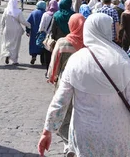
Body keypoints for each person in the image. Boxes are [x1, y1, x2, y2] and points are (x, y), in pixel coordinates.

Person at [37, 13, 130, 157]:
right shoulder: (121, 60)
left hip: (85, 137)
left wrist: (47, 131)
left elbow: (60, 101)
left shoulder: (76, 60)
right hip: (118, 136)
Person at [46, 14, 86, 156]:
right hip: (85, 85)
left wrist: (52, 77)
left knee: (64, 115)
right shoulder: (88, 42)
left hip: (65, 82)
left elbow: (55, 63)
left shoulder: (63, 42)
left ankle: (69, 144)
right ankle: (74, 143)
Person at [0, 0, 30, 65]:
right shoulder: (18, 11)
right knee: (15, 45)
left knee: (7, 43)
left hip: (7, 29)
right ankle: (14, 60)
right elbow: (22, 21)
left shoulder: (6, 10)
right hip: (16, 30)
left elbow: (2, 21)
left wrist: (2, 29)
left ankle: (7, 54)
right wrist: (29, 25)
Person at [27, 1, 47, 65]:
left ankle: (33, 56)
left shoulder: (33, 13)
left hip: (34, 32)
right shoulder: (46, 13)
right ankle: (43, 61)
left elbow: (28, 22)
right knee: (42, 46)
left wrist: (27, 31)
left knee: (34, 44)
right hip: (43, 33)